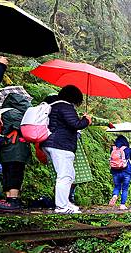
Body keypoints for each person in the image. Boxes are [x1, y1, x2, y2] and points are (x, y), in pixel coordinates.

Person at [41, 85, 91, 214]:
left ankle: (66, 203)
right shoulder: (65, 106)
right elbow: (75, 124)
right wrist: (86, 120)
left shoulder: (54, 105)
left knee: (69, 175)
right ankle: (61, 206)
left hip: (51, 143)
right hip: (61, 145)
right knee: (64, 176)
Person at [0, 93, 32, 210]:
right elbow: (22, 126)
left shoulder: (2, 112)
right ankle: (13, 200)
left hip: (7, 148)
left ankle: (10, 199)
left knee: (8, 172)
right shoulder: (14, 113)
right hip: (16, 148)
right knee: (15, 172)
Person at [108, 135, 131, 210]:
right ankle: (122, 205)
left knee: (117, 186)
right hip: (126, 171)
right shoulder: (127, 149)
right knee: (125, 189)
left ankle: (115, 196)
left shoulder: (112, 148)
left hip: (115, 171)